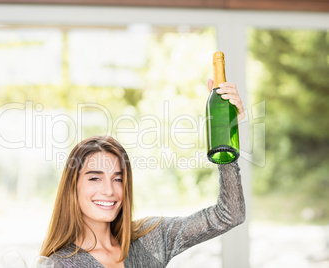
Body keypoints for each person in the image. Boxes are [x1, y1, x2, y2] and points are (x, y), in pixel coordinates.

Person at [39, 80, 246, 267]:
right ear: (72, 186)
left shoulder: (151, 237)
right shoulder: (59, 264)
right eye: (95, 178)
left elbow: (229, 215)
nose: (109, 190)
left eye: (118, 179)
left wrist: (225, 133)